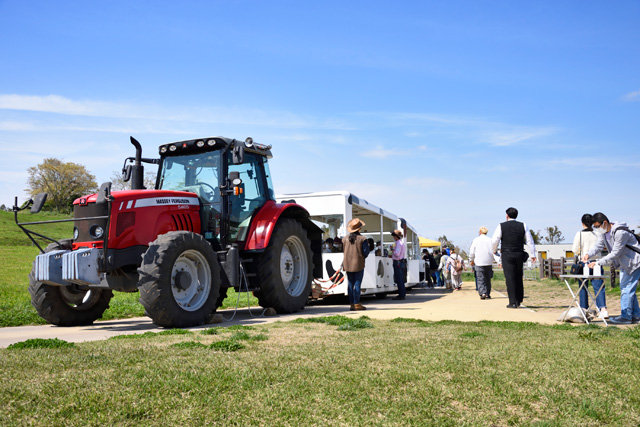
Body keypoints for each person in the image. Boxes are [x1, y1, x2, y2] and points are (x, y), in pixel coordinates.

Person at [583, 212, 640, 325]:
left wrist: (598, 262)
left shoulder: (620, 232)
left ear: (605, 223)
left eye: (598, 226)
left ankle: (626, 316)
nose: (597, 229)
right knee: (628, 289)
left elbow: (616, 253)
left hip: (634, 262)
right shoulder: (604, 233)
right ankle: (635, 315)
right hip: (625, 263)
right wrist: (588, 254)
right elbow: (599, 246)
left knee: (626, 289)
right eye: (595, 227)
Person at [491, 207, 536, 308]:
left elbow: (495, 240)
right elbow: (529, 240)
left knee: (510, 277)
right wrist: (533, 254)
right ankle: (519, 299)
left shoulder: (501, 226)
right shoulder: (523, 225)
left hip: (507, 253)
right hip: (519, 253)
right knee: (518, 276)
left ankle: (513, 302)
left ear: (507, 215)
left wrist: (494, 250)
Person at [572, 214, 608, 319]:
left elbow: (575, 249)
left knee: (583, 287)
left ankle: (584, 310)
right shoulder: (598, 233)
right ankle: (603, 309)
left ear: (582, 223)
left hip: (584, 262)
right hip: (597, 262)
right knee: (599, 287)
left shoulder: (579, 234)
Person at [342, 218, 371, 311]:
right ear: (359, 229)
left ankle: (351, 304)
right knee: (357, 284)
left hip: (347, 264)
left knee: (350, 284)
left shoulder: (344, 239)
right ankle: (357, 303)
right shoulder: (363, 239)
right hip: (358, 264)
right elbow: (366, 252)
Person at [469, 226, 496, 300]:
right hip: (488, 261)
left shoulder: (476, 240)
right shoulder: (490, 240)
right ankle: (487, 293)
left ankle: (483, 293)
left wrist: (471, 259)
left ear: (480, 232)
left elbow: (472, 251)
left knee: (481, 278)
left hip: (479, 261)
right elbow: (493, 250)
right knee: (488, 279)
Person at [390, 229, 406, 300]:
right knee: (400, 279)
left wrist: (392, 249)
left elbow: (397, 254)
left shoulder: (398, 243)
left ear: (396, 236)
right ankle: (402, 294)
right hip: (401, 262)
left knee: (399, 279)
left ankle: (401, 295)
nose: (393, 237)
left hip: (398, 262)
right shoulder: (401, 243)